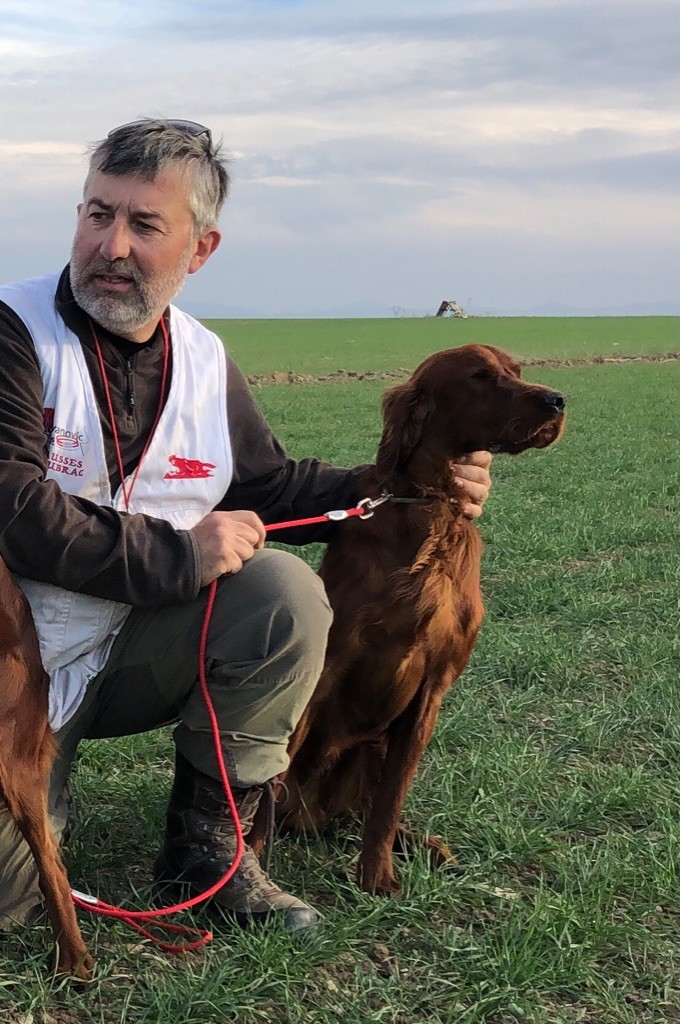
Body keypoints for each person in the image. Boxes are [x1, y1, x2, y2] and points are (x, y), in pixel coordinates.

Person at [0, 119, 492, 934]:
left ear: (201, 249)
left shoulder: (202, 357)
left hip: (130, 647)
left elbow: (267, 484)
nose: (110, 245)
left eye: (145, 224)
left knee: (281, 595)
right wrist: (180, 553)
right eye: (97, 213)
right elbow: (13, 503)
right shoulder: (13, 331)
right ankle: (46, 795)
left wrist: (415, 480)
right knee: (7, 903)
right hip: (15, 657)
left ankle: (208, 850)